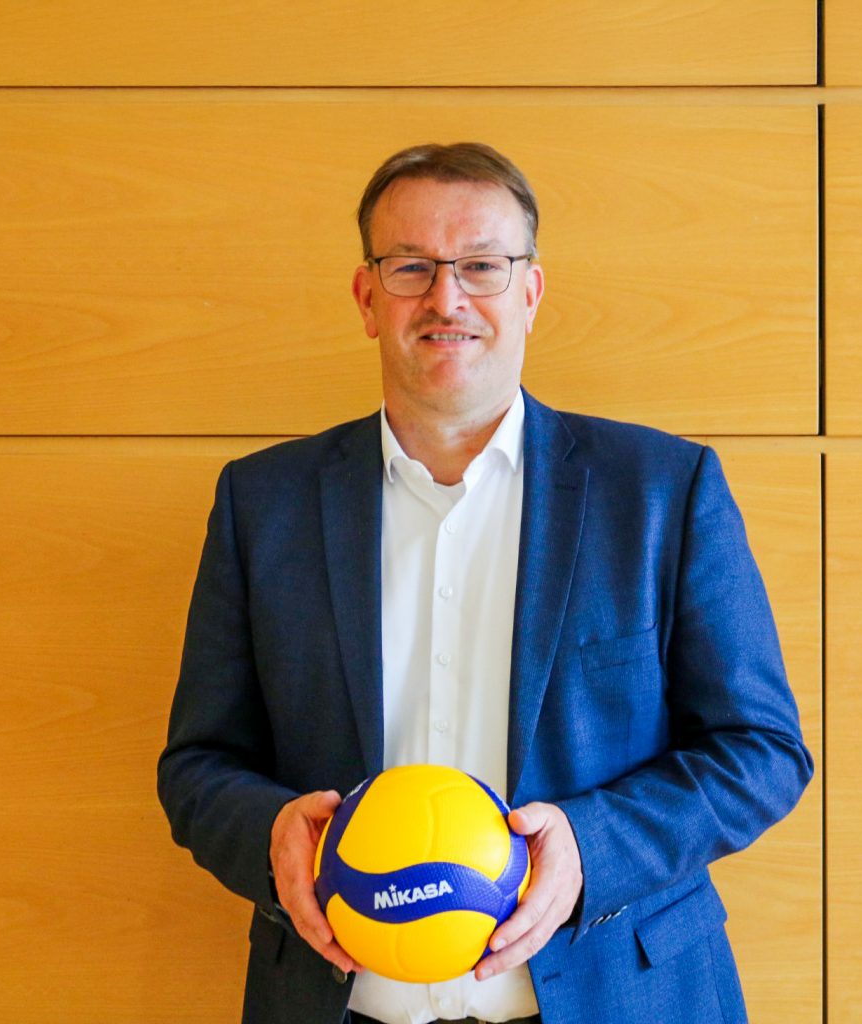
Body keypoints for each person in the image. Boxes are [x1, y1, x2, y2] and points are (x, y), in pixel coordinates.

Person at [158, 142, 813, 1024]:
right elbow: (198, 766)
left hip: (620, 998)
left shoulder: (662, 490)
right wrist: (270, 833)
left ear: (530, 293)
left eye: (481, 266)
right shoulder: (263, 504)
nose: (446, 298)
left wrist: (591, 847)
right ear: (366, 298)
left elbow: (762, 751)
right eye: (410, 267)